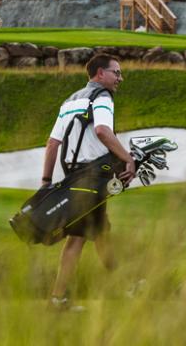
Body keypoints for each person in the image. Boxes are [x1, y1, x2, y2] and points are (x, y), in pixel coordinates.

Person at [41, 54, 136, 311]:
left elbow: (52, 144)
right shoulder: (102, 98)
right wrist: (128, 159)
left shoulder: (71, 100)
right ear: (99, 74)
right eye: (116, 72)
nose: (120, 78)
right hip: (92, 177)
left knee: (101, 233)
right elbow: (103, 131)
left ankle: (125, 286)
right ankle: (58, 299)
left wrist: (46, 181)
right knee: (77, 238)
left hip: (73, 176)